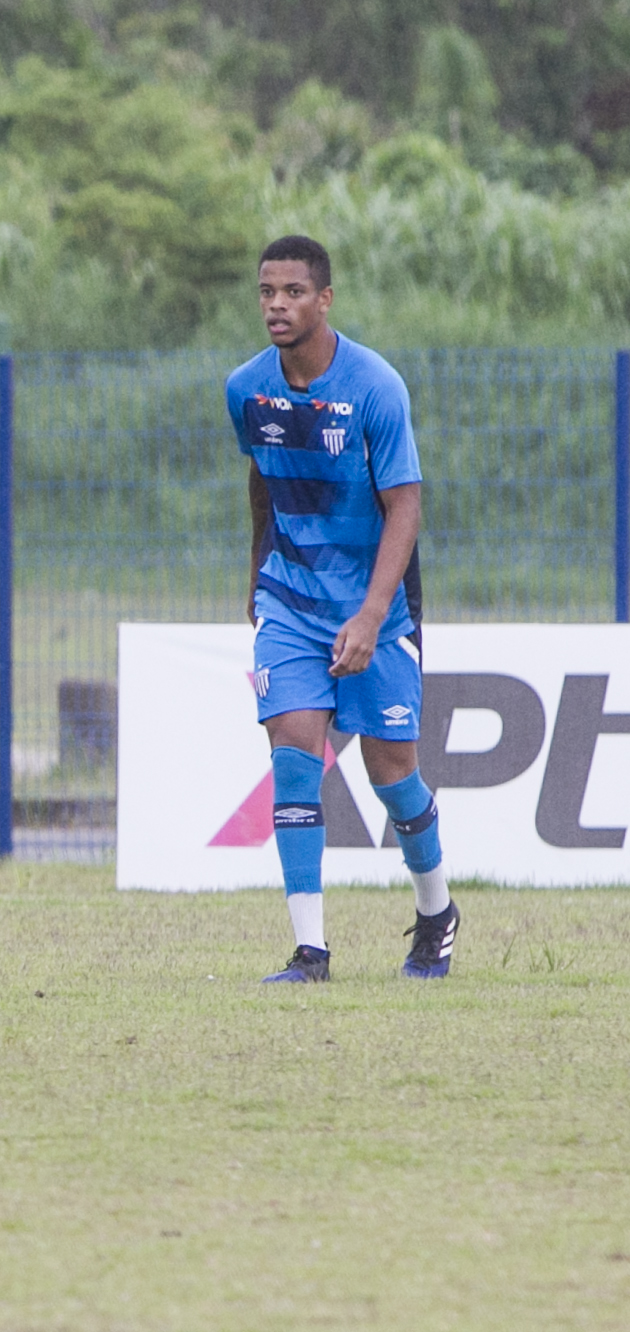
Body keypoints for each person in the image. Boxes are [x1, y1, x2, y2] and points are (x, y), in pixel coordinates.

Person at [227, 235, 457, 983]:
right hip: (289, 602)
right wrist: (257, 582)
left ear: (324, 299)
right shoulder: (246, 389)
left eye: (293, 292)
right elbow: (262, 483)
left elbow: (406, 507)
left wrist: (371, 613)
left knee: (395, 778)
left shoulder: (375, 387)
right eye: (267, 292)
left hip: (376, 611)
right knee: (295, 762)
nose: (276, 306)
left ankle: (436, 915)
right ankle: (311, 953)